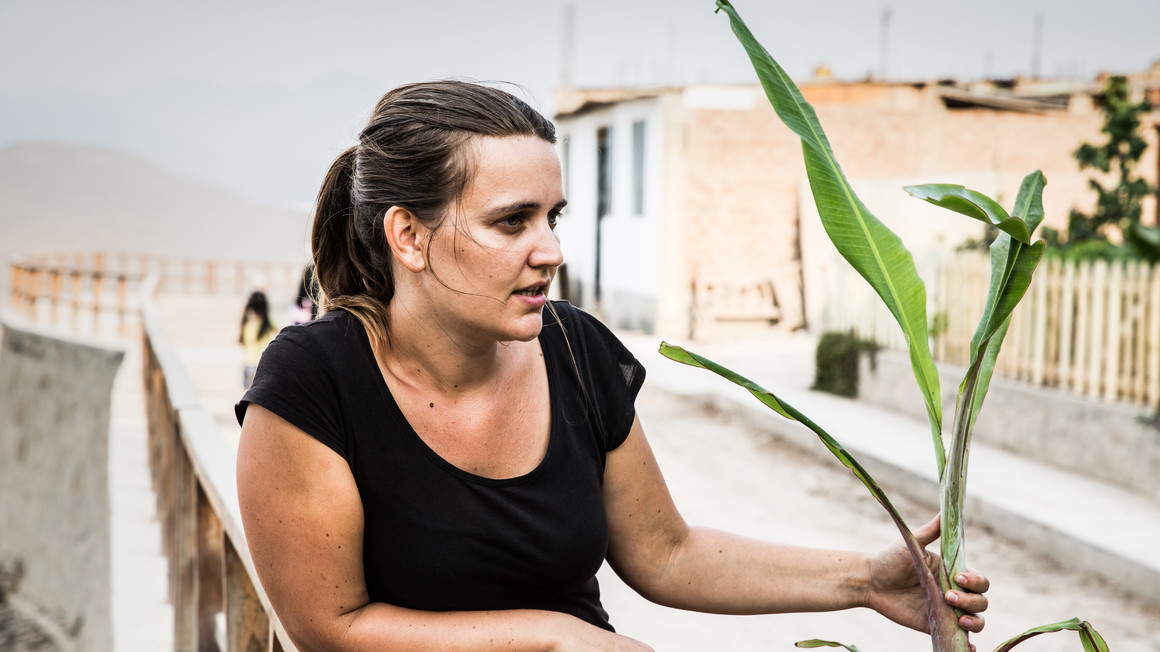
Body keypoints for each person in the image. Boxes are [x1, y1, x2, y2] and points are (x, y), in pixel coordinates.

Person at [234, 80, 989, 651]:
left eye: (552, 217)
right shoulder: (313, 381)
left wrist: (863, 580)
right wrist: (555, 637)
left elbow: (667, 552)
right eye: (511, 221)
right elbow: (332, 626)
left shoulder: (575, 350)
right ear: (408, 234)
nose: (551, 251)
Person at [238, 290, 277, 388]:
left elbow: (241, 342)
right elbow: (279, 332)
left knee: (247, 394)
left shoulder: (246, 323)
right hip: (261, 364)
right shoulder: (266, 323)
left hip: (248, 362)